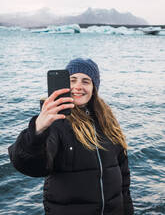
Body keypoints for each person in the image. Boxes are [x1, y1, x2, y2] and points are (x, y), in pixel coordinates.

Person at [8, 58, 134, 215]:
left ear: (94, 87)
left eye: (86, 81)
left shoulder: (107, 122)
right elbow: (31, 166)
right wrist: (38, 130)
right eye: (72, 80)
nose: (78, 87)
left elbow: (124, 177)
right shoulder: (55, 122)